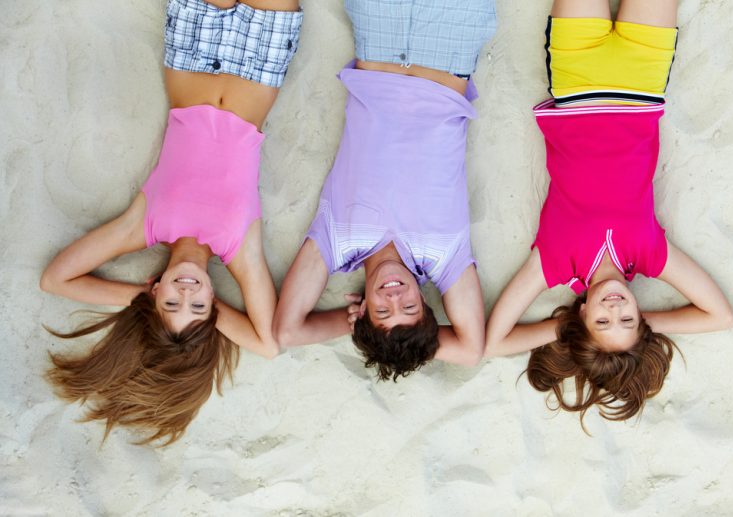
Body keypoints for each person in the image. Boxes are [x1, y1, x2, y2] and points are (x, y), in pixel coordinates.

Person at [38, 0, 303, 445]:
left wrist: (141, 299)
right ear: (214, 303)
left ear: (155, 293)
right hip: (260, 64)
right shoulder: (239, 248)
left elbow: (55, 279)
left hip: (191, 56)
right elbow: (268, 344)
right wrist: (194, 317)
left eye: (170, 304)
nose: (185, 294)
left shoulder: (143, 224)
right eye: (198, 307)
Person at [485, 0, 733, 424]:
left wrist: (571, 332)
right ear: (640, 316)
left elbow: (494, 344)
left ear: (584, 315)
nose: (615, 308)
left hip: (577, 74)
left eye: (603, 319)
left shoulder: (554, 263)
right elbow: (720, 316)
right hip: (643, 75)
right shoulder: (650, 255)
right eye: (627, 319)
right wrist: (647, 326)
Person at [273, 0, 497, 380]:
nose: (395, 297)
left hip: (380, 36)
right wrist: (405, 340)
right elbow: (472, 349)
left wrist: (354, 325)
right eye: (410, 309)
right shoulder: (444, 256)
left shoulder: (337, 241)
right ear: (425, 309)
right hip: (451, 36)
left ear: (362, 311)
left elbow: (287, 331)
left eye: (381, 311)